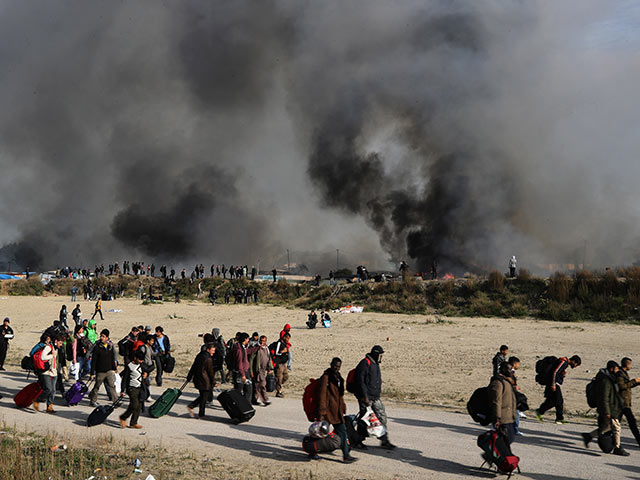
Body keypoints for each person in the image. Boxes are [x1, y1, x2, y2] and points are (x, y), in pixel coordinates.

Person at [582, 361, 630, 456]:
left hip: (612, 407)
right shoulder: (606, 381)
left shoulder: (609, 378)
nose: (617, 370)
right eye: (616, 368)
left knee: (606, 427)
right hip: (609, 409)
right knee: (616, 427)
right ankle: (617, 447)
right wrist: (607, 412)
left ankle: (589, 436)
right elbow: (604, 398)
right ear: (611, 368)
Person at [353, 345, 396, 450]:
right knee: (365, 420)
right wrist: (365, 397)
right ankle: (358, 441)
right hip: (366, 398)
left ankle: (384, 440)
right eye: (380, 355)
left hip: (375, 397)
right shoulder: (364, 364)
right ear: (376, 354)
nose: (381, 357)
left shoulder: (375, 364)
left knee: (381, 417)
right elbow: (360, 381)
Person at [317, 357, 358, 463]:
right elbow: (322, 395)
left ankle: (346, 453)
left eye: (338, 366)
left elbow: (340, 396)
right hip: (328, 411)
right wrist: (322, 412)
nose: (336, 368)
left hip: (336, 411)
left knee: (341, 432)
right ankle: (345, 455)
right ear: (331, 364)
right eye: (335, 365)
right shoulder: (326, 377)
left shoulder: (338, 377)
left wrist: (343, 406)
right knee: (321, 432)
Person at [535, 355, 581, 424]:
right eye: (576, 364)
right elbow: (555, 372)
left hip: (551, 383)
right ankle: (559, 418)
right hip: (553, 384)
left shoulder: (563, 362)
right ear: (574, 361)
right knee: (559, 401)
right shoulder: (563, 362)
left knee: (552, 400)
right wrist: (553, 384)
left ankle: (540, 411)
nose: (575, 366)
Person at [489, 361, 517, 446]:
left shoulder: (507, 381)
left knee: (509, 439)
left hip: (509, 417)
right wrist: (497, 418)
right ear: (504, 370)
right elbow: (496, 401)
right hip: (503, 418)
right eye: (509, 369)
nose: (511, 371)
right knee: (505, 440)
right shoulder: (498, 382)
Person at [34, 334, 63, 414]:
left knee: (53, 391)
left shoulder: (56, 348)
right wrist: (52, 355)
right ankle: (37, 400)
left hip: (54, 371)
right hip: (46, 371)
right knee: (48, 389)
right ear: (56, 341)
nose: (61, 344)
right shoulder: (48, 347)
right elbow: (42, 357)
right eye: (60, 343)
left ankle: (49, 407)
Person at [89, 329, 118, 407]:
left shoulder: (110, 346)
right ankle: (93, 400)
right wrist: (92, 373)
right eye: (101, 336)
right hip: (100, 371)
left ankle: (115, 401)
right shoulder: (97, 347)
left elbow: (112, 358)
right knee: (97, 386)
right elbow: (94, 361)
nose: (101, 338)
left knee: (112, 386)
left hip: (109, 370)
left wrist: (115, 368)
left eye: (104, 336)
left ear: (107, 338)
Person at [187, 343, 216, 419]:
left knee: (203, 396)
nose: (213, 352)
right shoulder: (208, 359)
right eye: (212, 350)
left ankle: (192, 407)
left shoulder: (200, 355)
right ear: (208, 350)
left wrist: (189, 376)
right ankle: (200, 413)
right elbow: (210, 372)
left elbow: (193, 366)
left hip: (197, 379)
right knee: (204, 397)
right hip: (205, 380)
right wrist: (213, 382)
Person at [119, 349, 146, 429]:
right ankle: (123, 417)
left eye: (142, 360)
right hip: (131, 388)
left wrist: (145, 374)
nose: (141, 361)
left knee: (138, 406)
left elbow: (148, 368)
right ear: (135, 358)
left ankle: (133, 423)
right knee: (134, 404)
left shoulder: (141, 365)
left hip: (139, 388)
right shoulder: (129, 366)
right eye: (139, 359)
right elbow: (124, 379)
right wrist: (122, 390)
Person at [617, 357, 640, 447]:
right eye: (630, 364)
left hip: (625, 402)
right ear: (627, 364)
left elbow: (627, 386)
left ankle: (591, 436)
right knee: (632, 422)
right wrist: (633, 382)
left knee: (615, 423)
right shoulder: (620, 374)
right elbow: (622, 386)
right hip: (622, 403)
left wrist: (635, 383)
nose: (631, 366)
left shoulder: (623, 373)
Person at [231, 332, 260, 404]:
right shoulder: (239, 350)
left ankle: (244, 405)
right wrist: (243, 374)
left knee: (246, 389)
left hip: (244, 371)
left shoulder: (242, 347)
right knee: (242, 390)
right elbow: (239, 363)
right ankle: (241, 405)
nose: (249, 340)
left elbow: (247, 351)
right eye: (248, 339)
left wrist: (257, 348)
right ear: (245, 339)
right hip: (241, 373)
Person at [252, 335, 272, 406]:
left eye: (264, 341)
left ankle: (254, 399)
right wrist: (251, 370)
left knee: (258, 385)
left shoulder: (267, 348)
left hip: (264, 370)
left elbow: (268, 358)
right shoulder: (256, 348)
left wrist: (269, 368)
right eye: (261, 341)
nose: (262, 342)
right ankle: (265, 400)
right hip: (258, 370)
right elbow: (251, 359)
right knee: (263, 384)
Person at [509, 356, 526, 435]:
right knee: (516, 411)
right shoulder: (510, 372)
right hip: (511, 394)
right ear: (514, 364)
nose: (518, 366)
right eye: (518, 364)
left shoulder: (509, 371)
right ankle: (515, 429)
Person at [273, 333, 290, 397]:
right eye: (287, 338)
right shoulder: (279, 343)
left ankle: (277, 385)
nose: (288, 340)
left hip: (284, 363)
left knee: (286, 376)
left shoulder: (284, 344)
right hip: (279, 363)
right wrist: (282, 352)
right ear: (284, 337)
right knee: (279, 377)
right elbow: (276, 353)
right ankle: (278, 391)